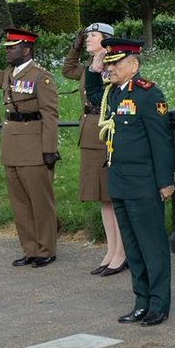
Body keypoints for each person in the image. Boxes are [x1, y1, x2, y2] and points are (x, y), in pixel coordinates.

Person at [87, 38, 175, 325]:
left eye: (115, 63)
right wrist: (94, 66)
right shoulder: (112, 94)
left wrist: (166, 182)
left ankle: (158, 305)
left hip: (144, 182)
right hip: (121, 181)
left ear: (134, 65)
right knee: (133, 248)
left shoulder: (149, 95)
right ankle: (141, 301)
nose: (110, 68)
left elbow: (161, 143)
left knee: (152, 246)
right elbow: (93, 89)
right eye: (109, 63)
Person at [0, 28, 61, 267]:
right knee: (20, 202)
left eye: (12, 48)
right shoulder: (7, 74)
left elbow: (50, 116)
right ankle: (30, 249)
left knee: (40, 201)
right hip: (12, 146)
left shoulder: (40, 77)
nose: (8, 52)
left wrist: (49, 149)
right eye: (7, 48)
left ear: (26, 49)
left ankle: (47, 249)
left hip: (34, 147)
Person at [63, 23, 127, 276]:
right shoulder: (90, 66)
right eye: (86, 36)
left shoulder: (110, 66)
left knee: (113, 194)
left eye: (92, 36)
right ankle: (111, 250)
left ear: (106, 40)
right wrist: (76, 48)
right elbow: (68, 69)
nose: (87, 38)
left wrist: (98, 67)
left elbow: (106, 96)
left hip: (106, 130)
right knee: (102, 196)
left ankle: (122, 252)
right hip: (90, 128)